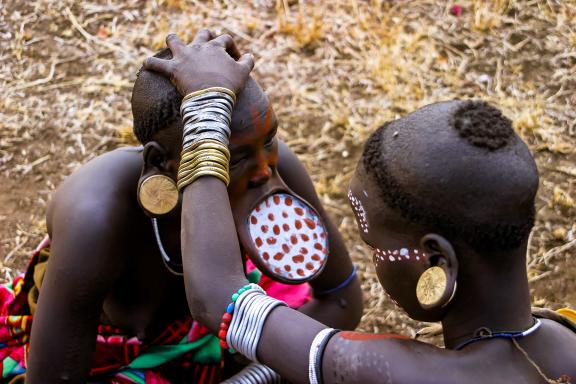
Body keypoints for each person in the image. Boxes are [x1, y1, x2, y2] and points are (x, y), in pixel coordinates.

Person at [144, 32, 576, 383]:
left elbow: (218, 297)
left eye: (373, 245)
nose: (374, 264)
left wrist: (205, 108)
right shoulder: (565, 338)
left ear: (436, 260)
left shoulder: (404, 373)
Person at [0, 31, 362, 383]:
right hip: (111, 358)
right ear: (160, 162)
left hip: (225, 338)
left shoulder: (273, 168)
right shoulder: (95, 216)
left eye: (269, 140)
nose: (265, 170)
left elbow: (342, 301)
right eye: (232, 159)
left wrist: (258, 374)